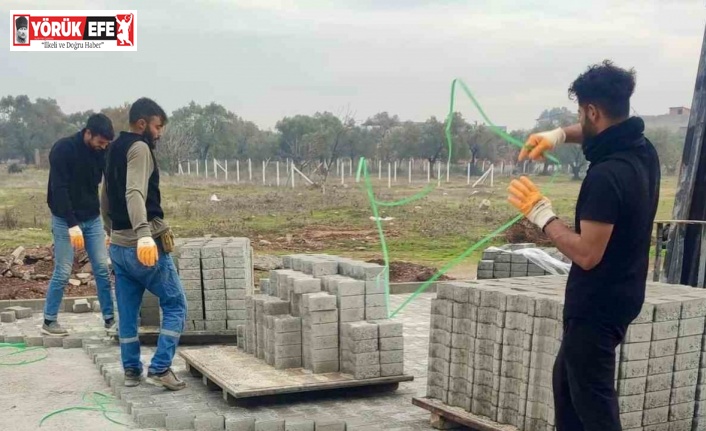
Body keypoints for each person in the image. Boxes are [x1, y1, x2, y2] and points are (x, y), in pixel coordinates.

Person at [508, 60, 660, 431]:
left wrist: (542, 216)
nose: (579, 120)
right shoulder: (643, 151)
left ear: (592, 110)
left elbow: (587, 254)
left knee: (594, 407)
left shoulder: (607, 177)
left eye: (580, 113)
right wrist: (558, 135)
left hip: (596, 308)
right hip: (623, 293)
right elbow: (596, 133)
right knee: (566, 384)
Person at [101, 97, 186, 391]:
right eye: (157, 126)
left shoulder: (113, 148)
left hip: (119, 247)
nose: (159, 133)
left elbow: (105, 194)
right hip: (143, 246)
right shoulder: (140, 148)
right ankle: (161, 367)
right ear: (142, 124)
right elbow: (134, 192)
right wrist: (144, 233)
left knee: (127, 312)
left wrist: (110, 229)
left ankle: (131, 370)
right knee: (175, 304)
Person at [44, 114, 116, 335]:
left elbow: (109, 185)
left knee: (102, 270)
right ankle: (49, 321)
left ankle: (110, 319)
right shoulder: (63, 149)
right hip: (65, 219)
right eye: (100, 141)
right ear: (88, 133)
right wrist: (71, 223)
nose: (103, 146)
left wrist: (109, 223)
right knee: (64, 270)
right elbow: (59, 189)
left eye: (106, 143)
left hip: (92, 219)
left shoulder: (100, 152)